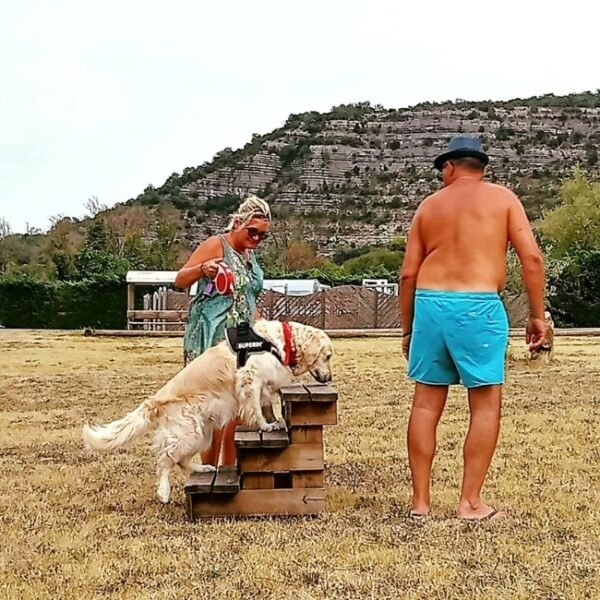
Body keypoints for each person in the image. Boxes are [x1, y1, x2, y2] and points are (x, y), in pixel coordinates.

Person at [399, 136, 546, 520]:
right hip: (478, 305)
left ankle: (421, 504)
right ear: (481, 167)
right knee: (484, 407)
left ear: (448, 167)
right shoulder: (503, 199)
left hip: (430, 304)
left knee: (426, 405)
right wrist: (537, 316)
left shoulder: (428, 207)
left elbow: (408, 274)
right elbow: (531, 257)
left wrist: (407, 329)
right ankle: (470, 503)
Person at [174, 195, 271, 466]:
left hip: (241, 340)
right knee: (214, 415)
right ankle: (208, 475)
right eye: (252, 232)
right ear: (238, 223)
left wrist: (262, 330)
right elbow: (180, 280)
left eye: (263, 236)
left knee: (238, 413)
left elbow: (247, 299)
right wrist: (202, 269)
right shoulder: (217, 245)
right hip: (212, 338)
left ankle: (230, 471)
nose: (257, 239)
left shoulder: (248, 255)